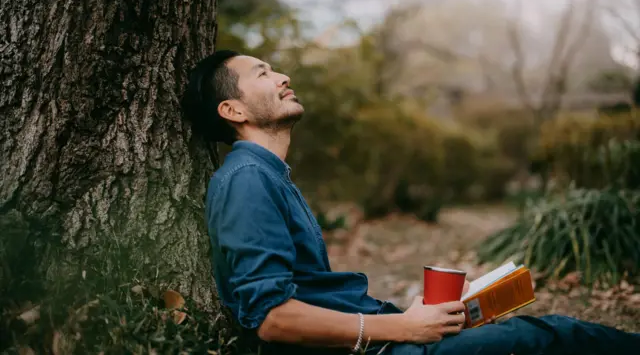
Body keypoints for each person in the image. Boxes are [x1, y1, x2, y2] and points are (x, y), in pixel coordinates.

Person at [181, 50, 640, 355]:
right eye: (262, 73)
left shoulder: (267, 176)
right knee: (551, 338)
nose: (282, 75)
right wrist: (404, 329)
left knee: (539, 332)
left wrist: (414, 317)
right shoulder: (246, 181)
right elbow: (271, 319)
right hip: (382, 349)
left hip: (386, 336)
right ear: (233, 111)